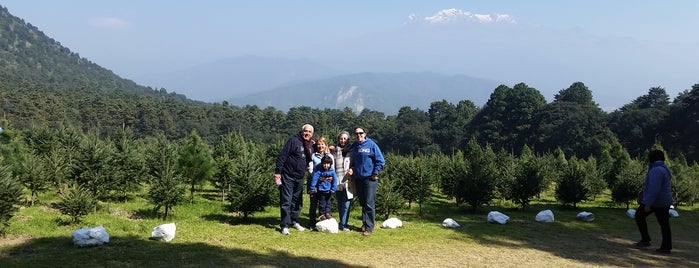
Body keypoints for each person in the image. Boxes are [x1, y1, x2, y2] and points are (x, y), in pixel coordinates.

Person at [274, 124, 314, 235]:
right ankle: (285, 225)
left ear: (312, 134)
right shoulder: (293, 141)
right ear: (302, 132)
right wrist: (278, 172)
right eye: (305, 131)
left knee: (297, 201)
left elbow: (320, 149)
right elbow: (282, 156)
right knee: (286, 200)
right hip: (288, 175)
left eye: (309, 132)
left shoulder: (311, 144)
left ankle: (294, 221)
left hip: (300, 177)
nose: (307, 133)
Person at [634, 149, 673, 254]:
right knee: (664, 224)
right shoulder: (664, 168)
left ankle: (647, 240)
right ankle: (666, 246)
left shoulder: (656, 170)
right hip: (664, 200)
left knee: (639, 215)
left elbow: (653, 189)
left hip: (657, 201)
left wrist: (648, 203)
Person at [349, 127, 385, 236]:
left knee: (369, 203)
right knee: (363, 203)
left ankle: (369, 228)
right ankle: (364, 224)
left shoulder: (371, 145)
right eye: (356, 134)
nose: (358, 135)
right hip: (359, 178)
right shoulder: (354, 146)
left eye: (361, 133)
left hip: (370, 179)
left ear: (365, 134)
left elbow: (380, 161)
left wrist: (375, 173)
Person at [308, 136, 334, 230]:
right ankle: (312, 223)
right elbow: (310, 169)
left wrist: (328, 179)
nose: (320, 146)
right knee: (313, 203)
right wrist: (318, 178)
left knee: (325, 202)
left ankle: (323, 221)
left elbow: (332, 169)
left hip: (326, 184)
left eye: (322, 144)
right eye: (318, 144)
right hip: (314, 183)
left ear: (325, 145)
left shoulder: (330, 156)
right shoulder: (313, 156)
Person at [332, 130, 354, 231]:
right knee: (340, 203)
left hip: (348, 180)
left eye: (345, 138)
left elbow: (355, 163)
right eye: (341, 138)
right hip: (337, 180)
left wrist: (352, 169)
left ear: (348, 140)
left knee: (346, 203)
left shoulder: (352, 151)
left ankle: (344, 224)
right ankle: (341, 223)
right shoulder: (335, 150)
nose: (343, 140)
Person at [309, 155, 338, 223]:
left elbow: (335, 180)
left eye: (327, 164)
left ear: (330, 164)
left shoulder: (332, 172)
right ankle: (322, 214)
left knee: (328, 203)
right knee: (322, 203)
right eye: (324, 163)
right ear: (322, 164)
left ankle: (327, 213)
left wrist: (333, 189)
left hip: (329, 190)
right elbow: (315, 179)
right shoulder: (319, 171)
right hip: (321, 190)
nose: (326, 165)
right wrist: (312, 188)